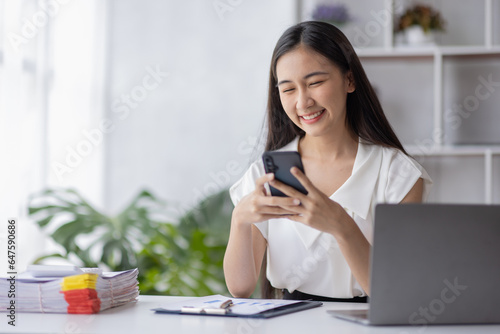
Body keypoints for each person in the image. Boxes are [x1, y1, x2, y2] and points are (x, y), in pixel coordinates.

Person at [223, 21, 432, 302]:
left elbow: (394, 292)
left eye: (315, 83)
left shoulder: (398, 175)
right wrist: (239, 221)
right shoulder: (265, 173)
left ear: (349, 80)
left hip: (368, 321)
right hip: (289, 323)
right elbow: (240, 288)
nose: (303, 102)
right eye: (288, 89)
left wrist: (341, 225)